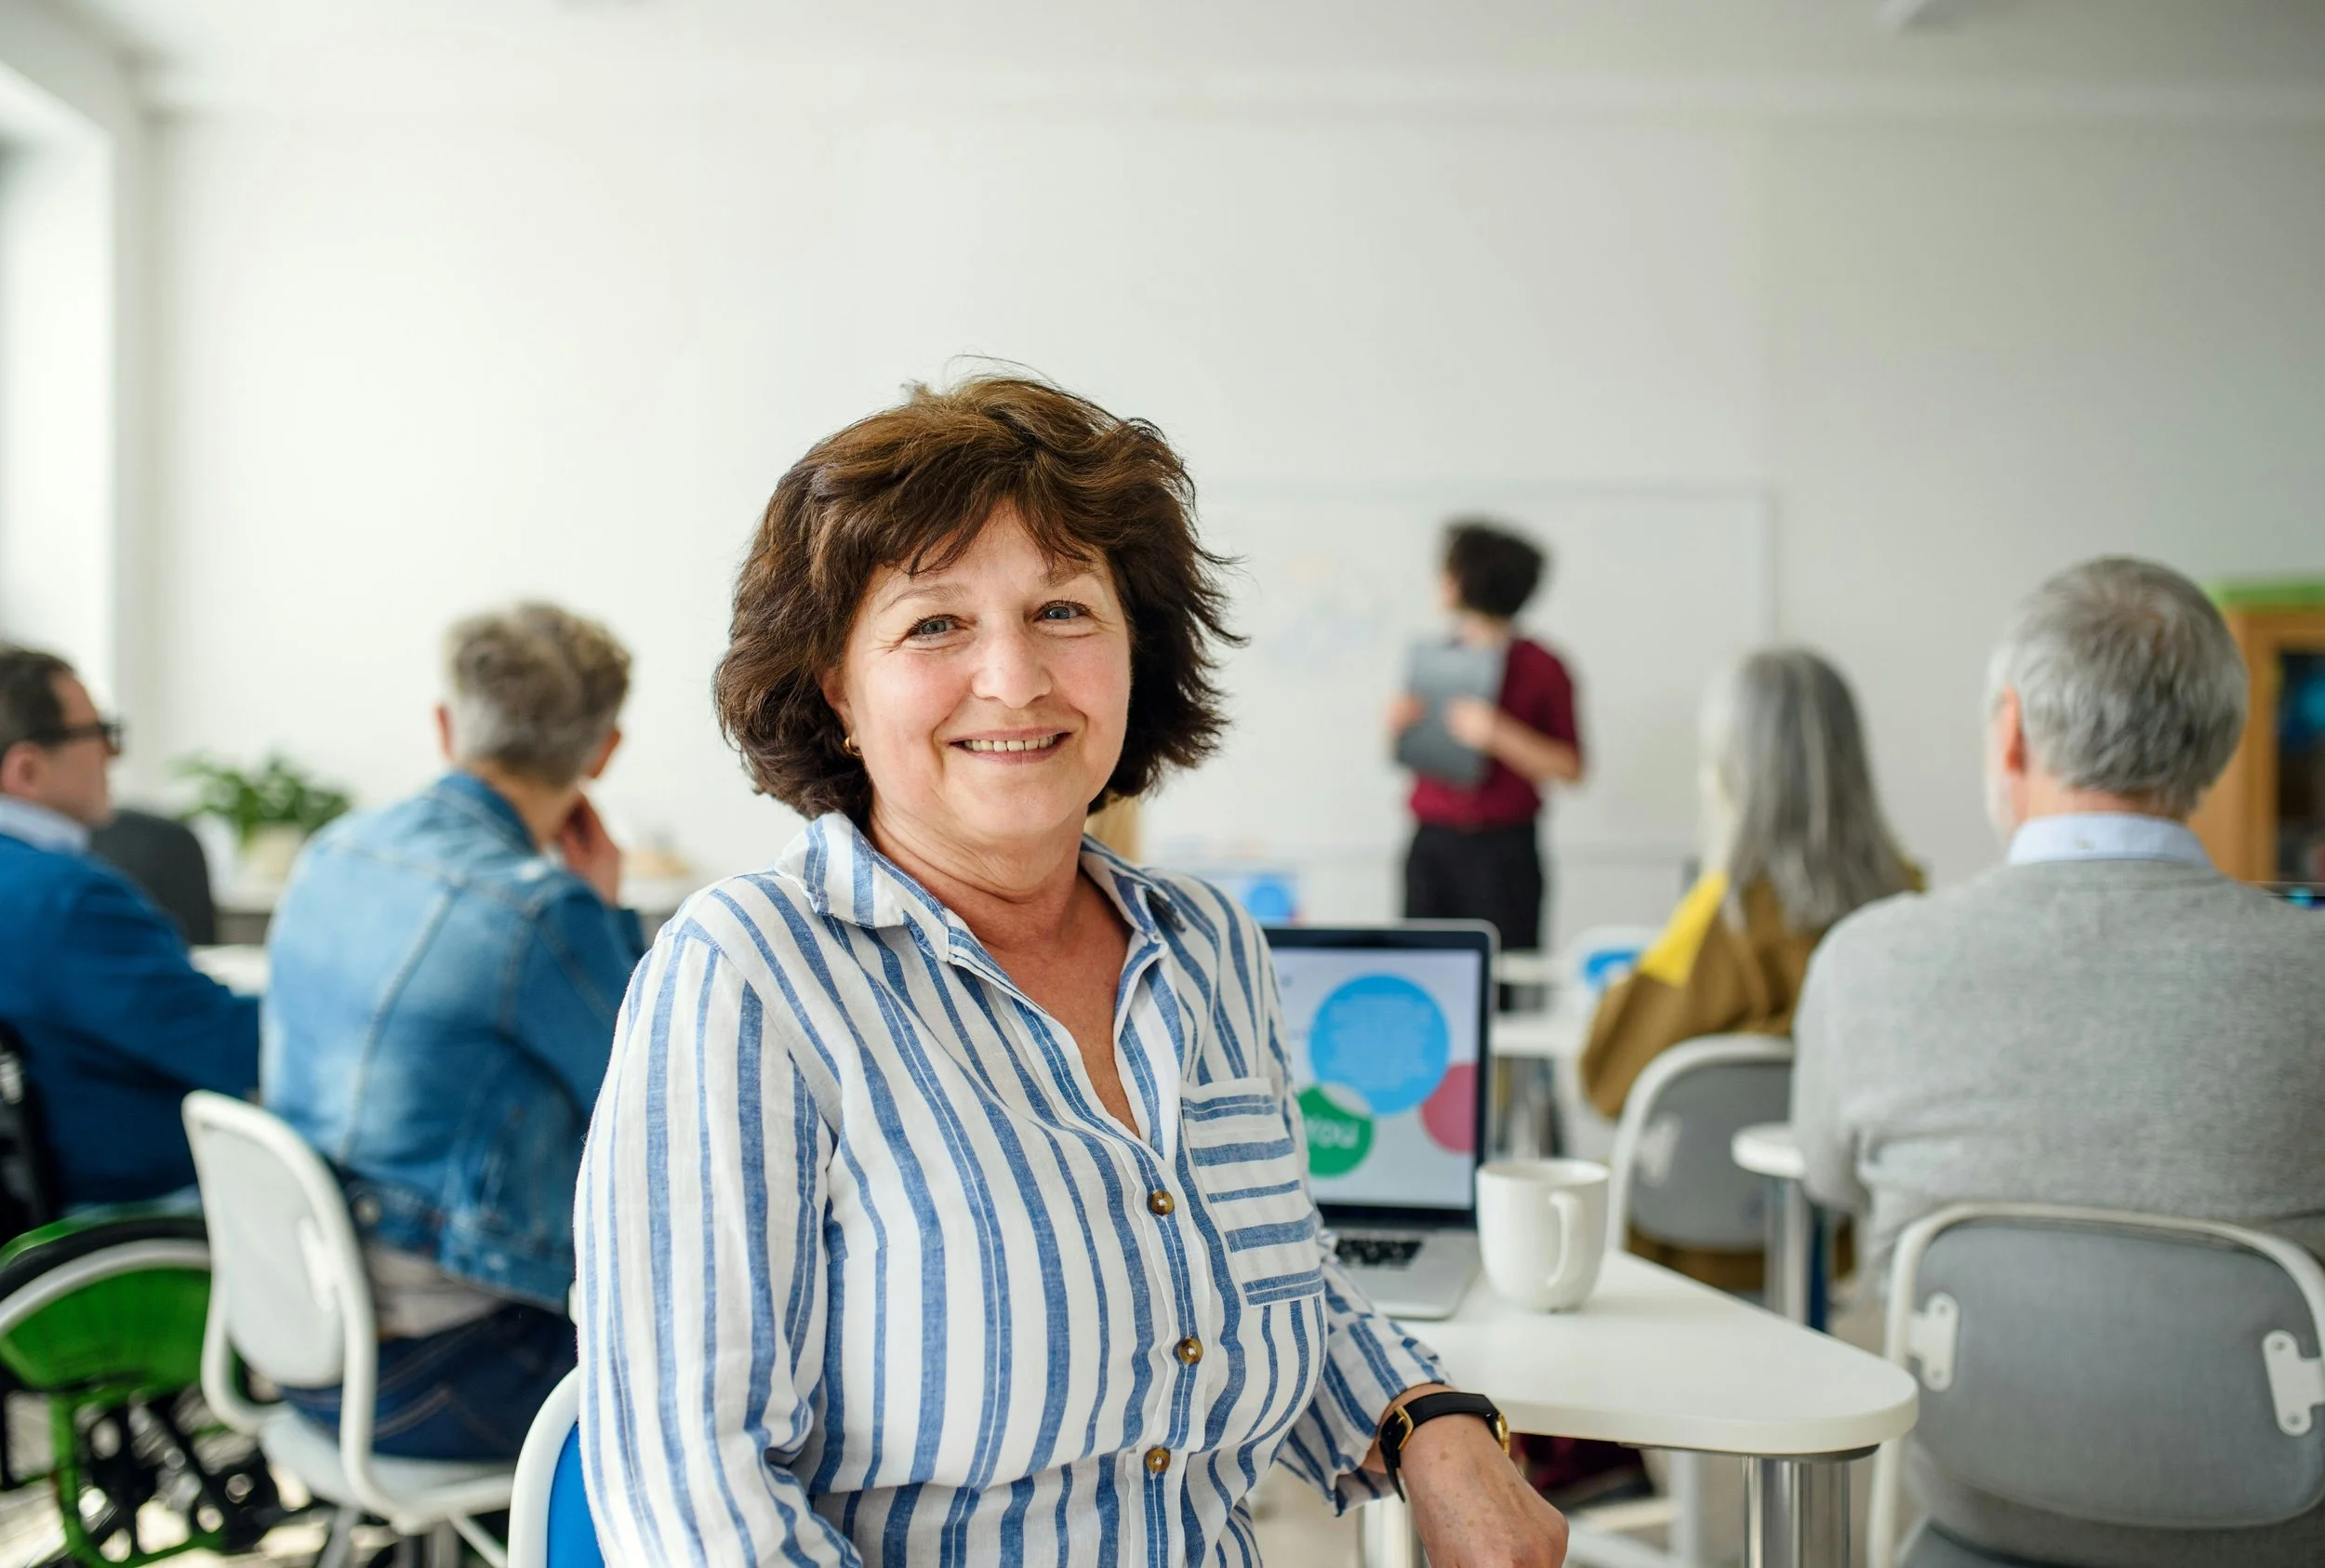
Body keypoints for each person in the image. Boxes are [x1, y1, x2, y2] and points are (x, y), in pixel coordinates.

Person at [578, 377, 1567, 1567]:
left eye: (1061, 611)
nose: (1016, 678)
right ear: (838, 689)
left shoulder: (1207, 949)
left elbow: (1282, 1283)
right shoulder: (746, 980)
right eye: (934, 624)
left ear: (1134, 650)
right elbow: (695, 1507)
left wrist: (1430, 1422)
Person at [1793, 557, 2325, 1568]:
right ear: (2218, 746)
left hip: (1977, 1519)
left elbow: (1824, 1183)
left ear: (2010, 732)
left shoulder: (1869, 962)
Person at [263, 604, 644, 1460]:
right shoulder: (543, 912)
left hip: (297, 1338)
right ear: (603, 752)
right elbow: (659, 1110)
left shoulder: (334, 850)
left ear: (446, 725)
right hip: (444, 1368)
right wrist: (608, 910)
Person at [0, 644, 259, 1213]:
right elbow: (231, 1046)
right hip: (133, 1207)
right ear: (27, 768)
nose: (113, 753)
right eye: (99, 732)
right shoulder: (64, 901)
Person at [1389, 520, 1583, 971]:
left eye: (1449, 572)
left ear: (1467, 581)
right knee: (1421, 970)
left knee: (1507, 978)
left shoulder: (1544, 667)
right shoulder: (1432, 658)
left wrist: (1497, 733)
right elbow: (1408, 754)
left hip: (1504, 852)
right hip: (1431, 845)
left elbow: (1571, 768)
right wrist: (1398, 727)